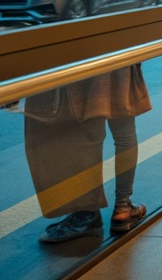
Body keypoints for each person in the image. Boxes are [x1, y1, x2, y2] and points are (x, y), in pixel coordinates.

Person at [24, 65, 152, 242]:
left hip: (89, 60)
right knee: (124, 130)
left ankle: (85, 214)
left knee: (87, 131)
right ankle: (123, 207)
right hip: (119, 53)